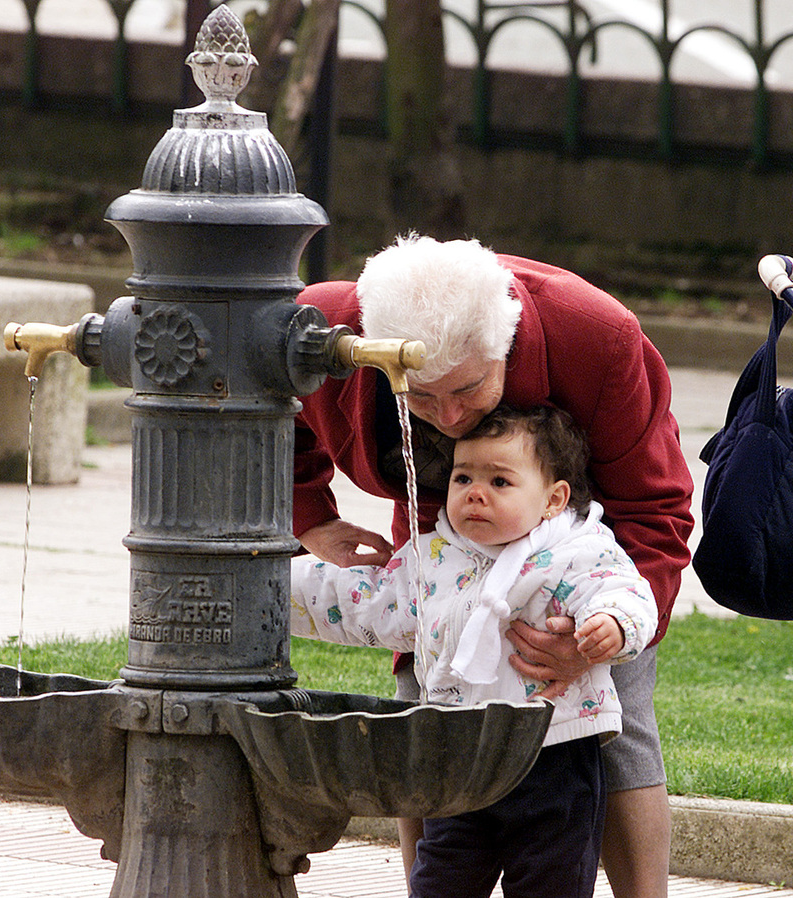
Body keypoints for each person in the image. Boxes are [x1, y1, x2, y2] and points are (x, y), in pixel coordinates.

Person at [293, 234, 695, 898]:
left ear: (504, 344)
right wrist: (311, 517)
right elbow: (260, 408)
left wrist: (612, 631)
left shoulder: (599, 338)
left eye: (470, 388)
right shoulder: (323, 330)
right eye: (421, 399)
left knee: (618, 727)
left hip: (588, 557)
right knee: (424, 722)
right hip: (439, 545)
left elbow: (656, 513)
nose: (449, 418)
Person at [291, 404, 658, 898]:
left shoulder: (578, 551)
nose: (475, 493)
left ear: (553, 499)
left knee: (553, 884)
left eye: (500, 482)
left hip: (553, 758)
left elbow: (626, 591)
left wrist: (613, 624)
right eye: (463, 478)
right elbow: (361, 599)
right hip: (457, 760)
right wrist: (268, 590)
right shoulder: (434, 558)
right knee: (441, 881)